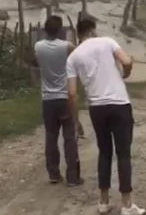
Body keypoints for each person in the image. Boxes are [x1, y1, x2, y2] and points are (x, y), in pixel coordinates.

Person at [66, 16, 145, 215]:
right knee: (123, 153)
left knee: (105, 152)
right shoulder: (108, 42)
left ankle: (103, 202)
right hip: (119, 104)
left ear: (79, 34)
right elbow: (126, 61)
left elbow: (72, 93)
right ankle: (127, 205)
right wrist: (126, 71)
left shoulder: (73, 57)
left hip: (97, 108)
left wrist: (76, 121)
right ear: (93, 30)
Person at [33, 15, 82, 186]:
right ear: (61, 30)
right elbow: (79, 56)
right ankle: (72, 176)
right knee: (69, 137)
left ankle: (53, 173)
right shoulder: (67, 46)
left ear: (45, 30)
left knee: (51, 137)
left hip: (48, 98)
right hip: (65, 97)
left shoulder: (38, 46)